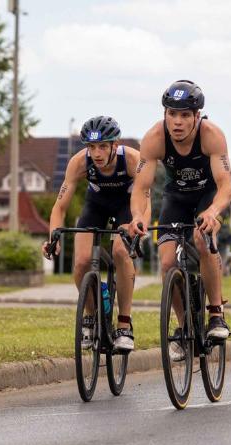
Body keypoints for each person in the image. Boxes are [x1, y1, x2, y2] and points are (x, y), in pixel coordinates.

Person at [128, 80, 231, 360]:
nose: (177, 121)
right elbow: (141, 188)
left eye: (185, 115)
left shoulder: (212, 136)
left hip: (206, 196)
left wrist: (213, 212)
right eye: (172, 114)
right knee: (166, 262)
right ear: (164, 114)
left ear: (197, 117)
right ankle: (184, 325)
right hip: (176, 198)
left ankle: (215, 314)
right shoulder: (153, 138)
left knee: (202, 239)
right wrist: (138, 215)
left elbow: (226, 187)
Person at [42, 116, 147, 351]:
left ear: (114, 145)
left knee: (121, 251)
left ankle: (124, 324)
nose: (96, 153)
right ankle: (90, 316)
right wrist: (53, 237)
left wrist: (138, 227)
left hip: (128, 206)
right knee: (81, 263)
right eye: (91, 147)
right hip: (96, 205)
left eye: (102, 146)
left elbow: (144, 200)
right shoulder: (79, 162)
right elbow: (59, 207)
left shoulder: (132, 160)